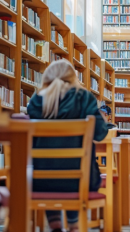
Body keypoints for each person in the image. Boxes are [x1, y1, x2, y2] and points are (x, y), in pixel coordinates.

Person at [26, 59, 109, 232]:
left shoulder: (36, 101)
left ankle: (55, 223)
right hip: (81, 181)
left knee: (50, 168)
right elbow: (101, 133)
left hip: (40, 180)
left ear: (47, 78)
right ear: (73, 78)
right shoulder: (84, 98)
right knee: (72, 170)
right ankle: (73, 224)